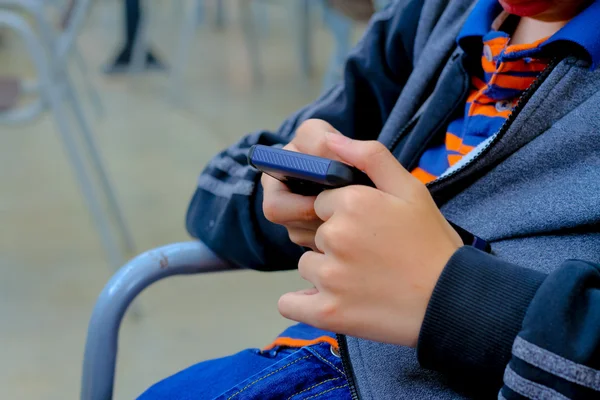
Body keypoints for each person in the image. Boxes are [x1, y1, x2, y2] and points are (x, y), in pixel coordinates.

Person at [141, 0, 600, 398]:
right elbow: (220, 184)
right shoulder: (438, 16)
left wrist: (460, 300)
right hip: (304, 362)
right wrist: (298, 202)